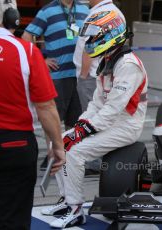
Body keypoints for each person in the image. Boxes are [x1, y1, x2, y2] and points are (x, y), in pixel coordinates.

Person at [41, 10, 148, 228]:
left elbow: (113, 109)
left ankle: (76, 209)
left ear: (110, 35)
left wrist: (82, 132)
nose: (90, 42)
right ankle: (65, 199)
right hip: (111, 121)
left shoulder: (128, 65)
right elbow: (96, 104)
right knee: (59, 141)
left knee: (74, 153)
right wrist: (80, 126)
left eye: (94, 37)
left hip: (127, 125)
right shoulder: (108, 60)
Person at [0, 1, 66, 229]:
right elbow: (46, 107)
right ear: (12, 17)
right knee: (13, 219)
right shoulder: (27, 50)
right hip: (14, 145)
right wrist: (57, 146)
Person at [21, 0, 89, 170]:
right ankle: (52, 155)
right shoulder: (47, 11)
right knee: (54, 119)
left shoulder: (83, 9)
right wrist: (41, 61)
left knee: (77, 119)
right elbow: (27, 37)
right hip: (58, 76)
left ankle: (72, 155)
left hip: (78, 74)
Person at [74, 0, 125, 175]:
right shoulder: (116, 12)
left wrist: (83, 75)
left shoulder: (97, 15)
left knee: (92, 117)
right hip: (105, 72)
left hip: (92, 75)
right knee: (104, 116)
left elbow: (89, 47)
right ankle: (103, 158)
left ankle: (95, 161)